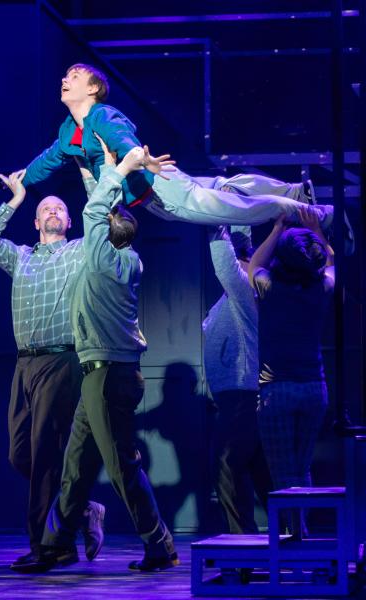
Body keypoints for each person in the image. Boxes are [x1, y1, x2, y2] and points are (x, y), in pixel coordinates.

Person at [12, 137, 178, 574]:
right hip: (101, 373)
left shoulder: (100, 257)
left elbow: (94, 213)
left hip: (107, 375)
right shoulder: (126, 259)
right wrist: (94, 172)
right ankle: (57, 542)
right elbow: (100, 210)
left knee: (122, 466)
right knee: (76, 463)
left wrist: (119, 170)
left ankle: (158, 543)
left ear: (103, 236)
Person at [19, 63, 337, 229]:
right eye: (65, 75)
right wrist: (22, 178)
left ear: (93, 88)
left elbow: (125, 143)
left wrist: (143, 161)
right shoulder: (68, 131)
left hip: (160, 190)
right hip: (159, 185)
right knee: (224, 187)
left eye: (74, 76)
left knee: (235, 210)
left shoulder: (101, 115)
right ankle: (296, 192)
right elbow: (49, 159)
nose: (65, 79)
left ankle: (316, 214)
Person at [0, 173, 105, 569]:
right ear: (35, 222)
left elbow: (100, 218)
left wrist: (91, 182)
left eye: (59, 209)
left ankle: (48, 547)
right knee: (21, 455)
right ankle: (82, 509)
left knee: (46, 456)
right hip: (24, 363)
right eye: (45, 208)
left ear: (68, 222)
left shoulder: (79, 252)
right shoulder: (21, 257)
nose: (52, 211)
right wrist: (16, 198)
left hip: (62, 360)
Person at [248, 210, 335, 533]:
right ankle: (301, 534)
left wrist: (276, 230)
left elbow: (255, 265)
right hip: (314, 388)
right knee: (301, 466)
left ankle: (295, 538)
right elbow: (330, 262)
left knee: (283, 471)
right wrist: (315, 230)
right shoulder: (321, 290)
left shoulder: (270, 288)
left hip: (277, 391)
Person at [204, 225, 272, 534]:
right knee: (258, 472)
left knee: (227, 468)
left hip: (242, 395)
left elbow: (225, 264)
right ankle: (277, 543)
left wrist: (217, 224)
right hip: (235, 397)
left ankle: (242, 545)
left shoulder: (245, 291)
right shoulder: (235, 298)